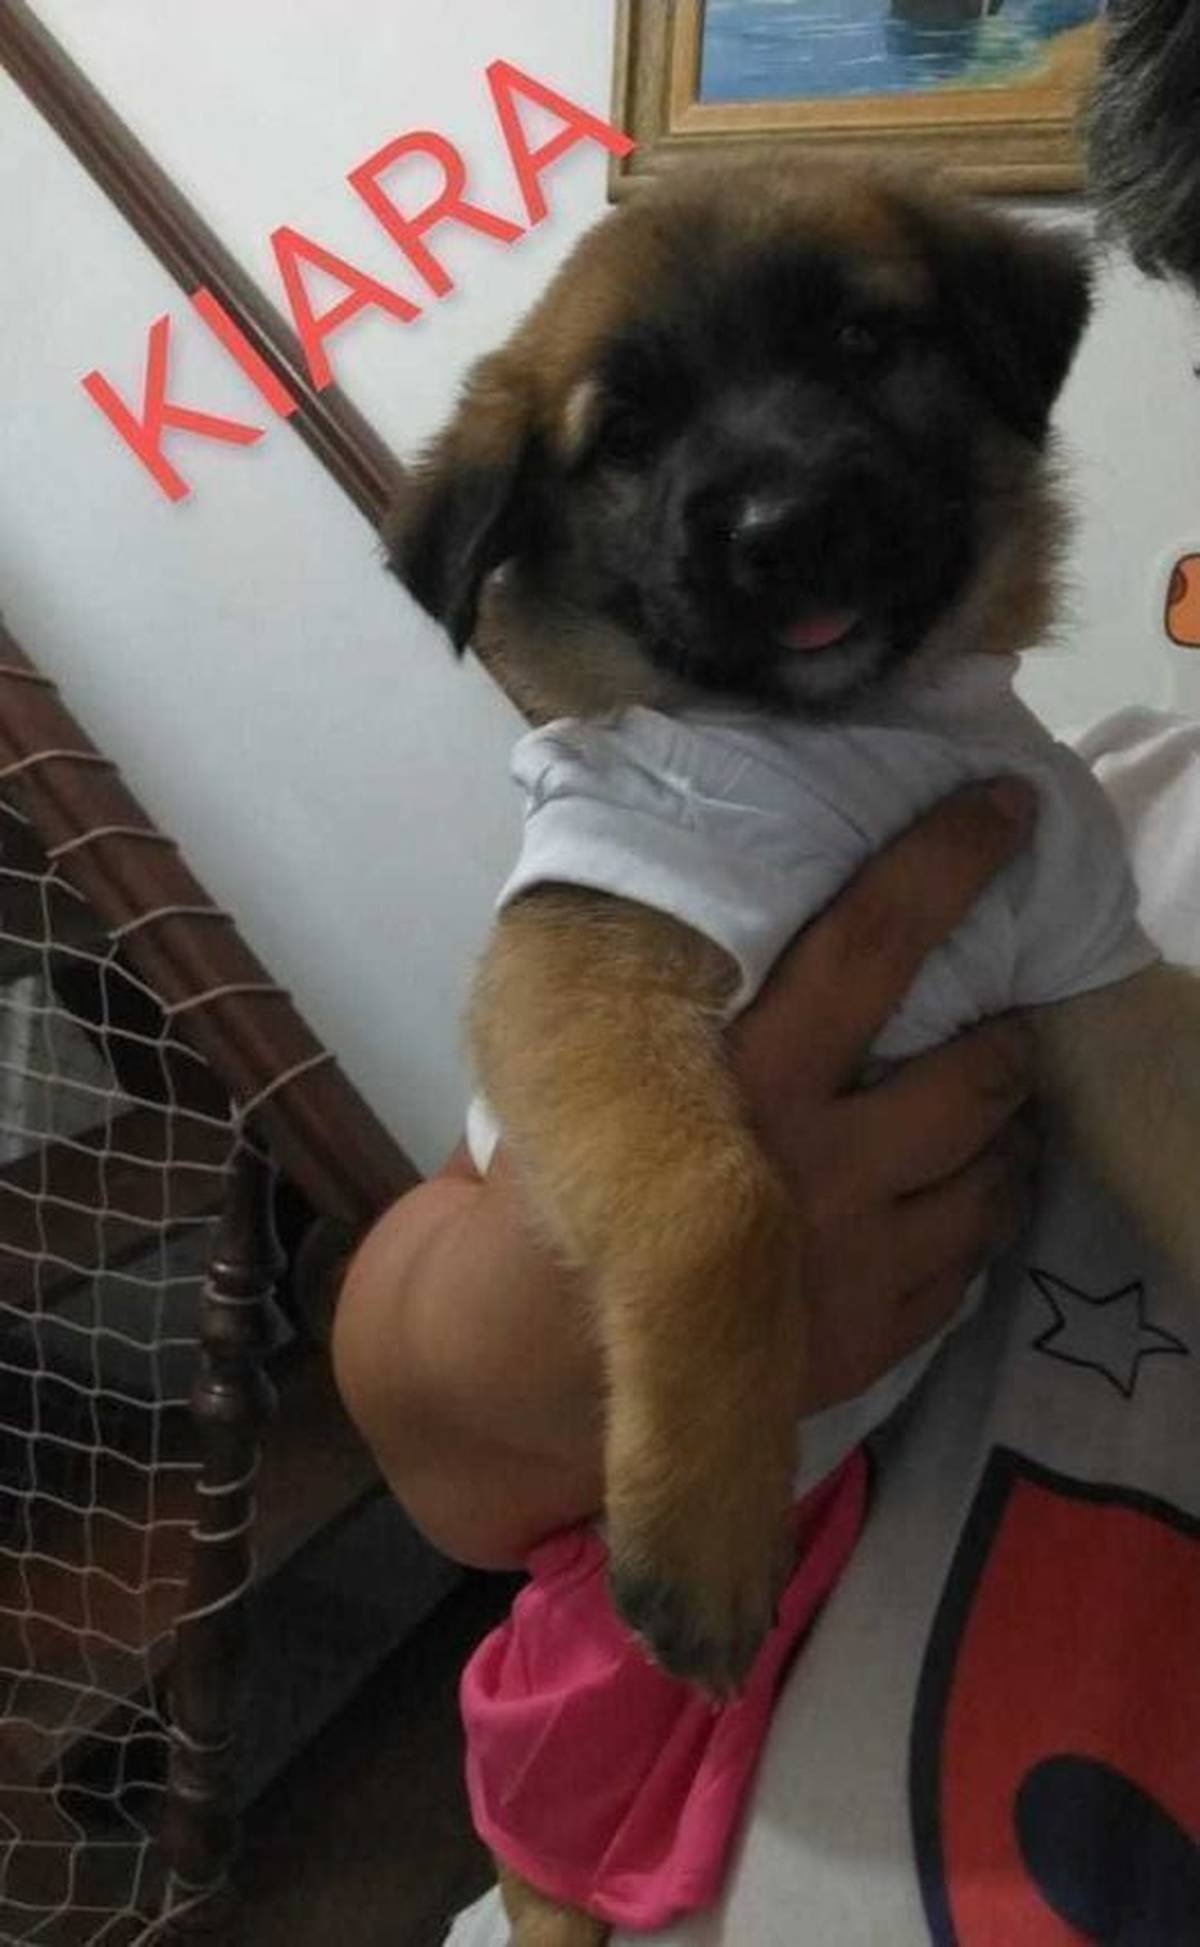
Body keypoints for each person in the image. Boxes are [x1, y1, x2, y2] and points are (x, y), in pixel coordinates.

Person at [332, 708, 1200, 1944]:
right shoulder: (1077, 789)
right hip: (641, 1602)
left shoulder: (1037, 808)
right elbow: (426, 1384)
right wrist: (573, 1342)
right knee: (582, 1735)